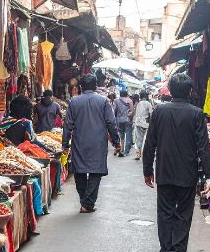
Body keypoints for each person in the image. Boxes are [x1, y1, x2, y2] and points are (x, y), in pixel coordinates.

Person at [142, 73, 210, 252]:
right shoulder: (197, 114)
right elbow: (203, 147)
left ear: (171, 90)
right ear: (189, 91)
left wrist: (147, 170)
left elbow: (150, 143)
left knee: (165, 212)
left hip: (164, 171)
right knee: (183, 213)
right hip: (187, 173)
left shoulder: (159, 111)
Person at [63, 74, 120, 213]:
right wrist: (116, 141)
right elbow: (111, 123)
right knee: (96, 171)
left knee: (79, 171)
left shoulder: (74, 102)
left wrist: (65, 144)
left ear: (81, 87)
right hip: (98, 142)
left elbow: (68, 125)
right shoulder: (103, 101)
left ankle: (85, 202)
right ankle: (87, 203)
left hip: (79, 142)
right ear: (95, 86)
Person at [132, 91, 153, 160]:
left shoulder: (138, 104)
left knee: (138, 139)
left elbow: (135, 114)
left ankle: (138, 154)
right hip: (145, 123)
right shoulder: (148, 104)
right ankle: (145, 154)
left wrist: (134, 122)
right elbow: (151, 114)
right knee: (146, 139)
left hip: (137, 122)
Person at [114, 90, 133, 157]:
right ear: (126, 94)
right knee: (128, 135)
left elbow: (115, 110)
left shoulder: (116, 100)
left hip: (119, 120)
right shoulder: (130, 100)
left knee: (120, 135)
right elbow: (132, 111)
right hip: (128, 120)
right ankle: (126, 151)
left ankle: (121, 149)